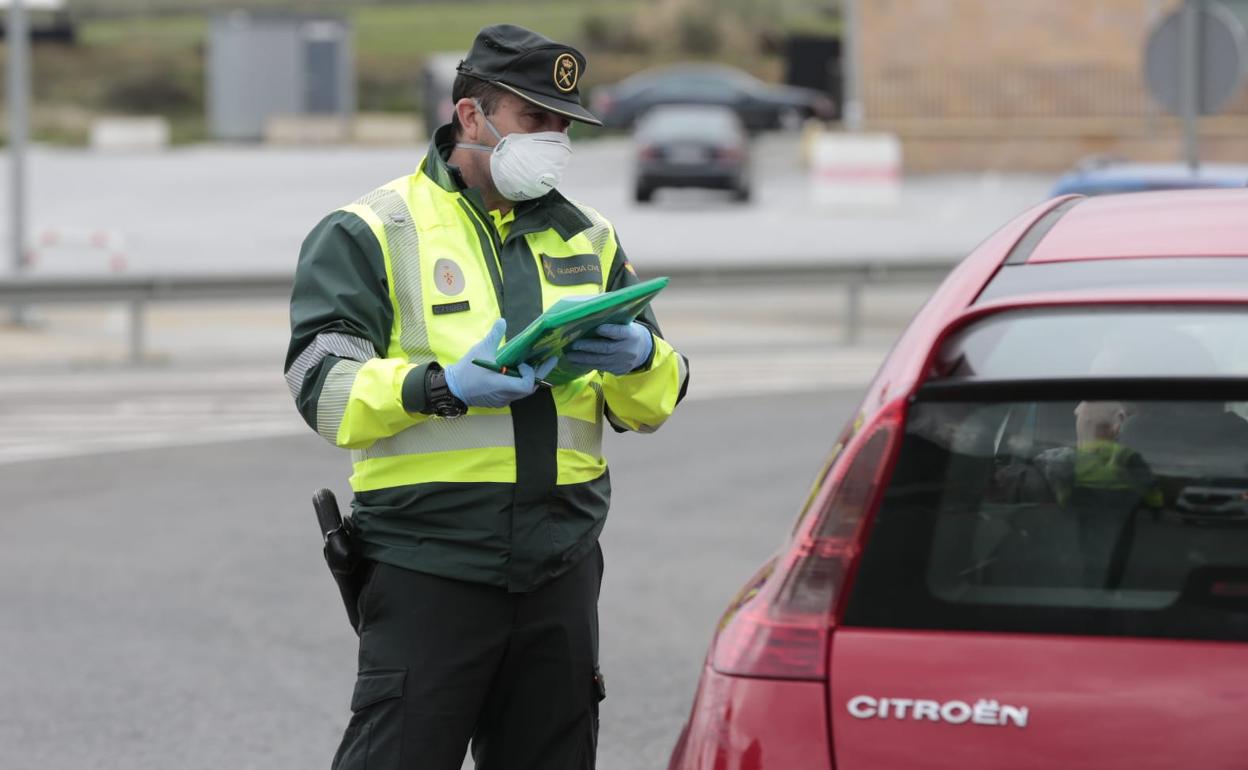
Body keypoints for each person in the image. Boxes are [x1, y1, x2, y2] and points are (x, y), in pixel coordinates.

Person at [283, 24, 689, 770]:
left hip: (560, 566)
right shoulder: (371, 229)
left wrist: (639, 358)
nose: (555, 141)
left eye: (564, 125)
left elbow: (651, 403)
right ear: (471, 116)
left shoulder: (588, 237)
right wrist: (438, 387)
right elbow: (323, 389)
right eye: (536, 120)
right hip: (426, 563)